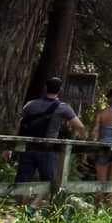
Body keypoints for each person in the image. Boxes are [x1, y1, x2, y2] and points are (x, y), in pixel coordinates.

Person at [14, 76, 85, 206]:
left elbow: (19, 125)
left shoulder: (30, 105)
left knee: (23, 180)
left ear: (45, 88)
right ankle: (32, 207)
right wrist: (79, 140)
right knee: (48, 182)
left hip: (28, 147)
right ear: (60, 90)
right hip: (47, 149)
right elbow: (79, 126)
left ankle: (21, 209)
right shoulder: (63, 107)